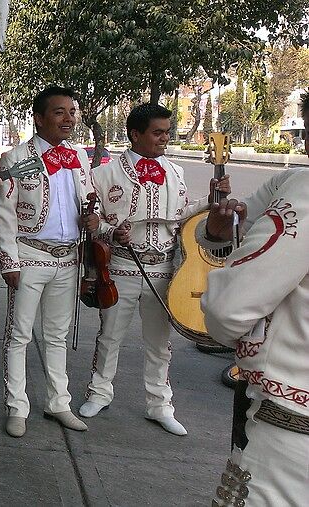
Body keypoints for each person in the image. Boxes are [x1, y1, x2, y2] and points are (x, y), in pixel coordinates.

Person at [78, 102, 231, 436]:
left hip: (163, 270)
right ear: (136, 134)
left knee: (160, 343)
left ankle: (159, 404)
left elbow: (183, 214)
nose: (165, 138)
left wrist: (209, 201)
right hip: (120, 265)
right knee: (109, 336)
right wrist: (108, 230)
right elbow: (92, 219)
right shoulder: (104, 174)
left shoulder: (175, 172)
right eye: (158, 132)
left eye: (167, 132)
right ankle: (99, 393)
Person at [200, 90, 309, 505]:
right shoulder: (288, 183)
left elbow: (228, 308)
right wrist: (218, 224)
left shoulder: (304, 188)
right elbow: (225, 227)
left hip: (291, 426)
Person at [0, 86, 92, 438]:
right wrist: (9, 261)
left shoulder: (79, 158)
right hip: (29, 256)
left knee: (57, 336)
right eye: (59, 112)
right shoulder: (15, 157)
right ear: (39, 117)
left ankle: (58, 403)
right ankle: (17, 406)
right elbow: (3, 215)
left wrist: (91, 222)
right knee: (19, 335)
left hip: (68, 259)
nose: (69, 119)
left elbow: (88, 202)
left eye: (72, 111)